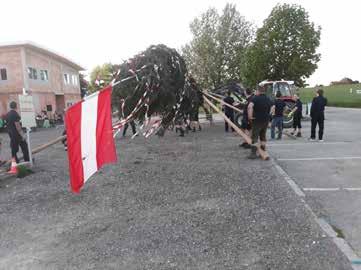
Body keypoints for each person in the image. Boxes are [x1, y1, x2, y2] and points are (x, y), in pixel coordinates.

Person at [247, 86, 272, 159]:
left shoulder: (255, 98)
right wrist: (269, 115)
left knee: (254, 137)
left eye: (256, 91)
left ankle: (253, 154)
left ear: (258, 91)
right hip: (266, 120)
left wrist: (250, 116)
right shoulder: (268, 99)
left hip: (257, 120)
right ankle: (263, 151)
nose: (255, 92)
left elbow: (249, 107)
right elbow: (273, 107)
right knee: (263, 136)